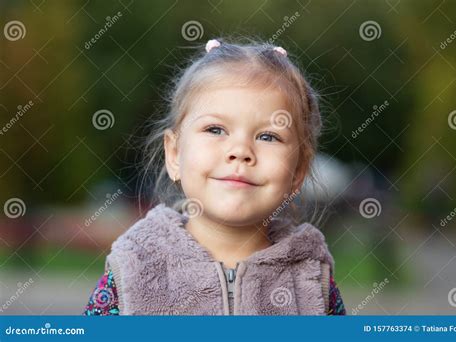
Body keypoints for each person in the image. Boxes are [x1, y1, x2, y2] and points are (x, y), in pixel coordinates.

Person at [84, 38, 346, 315]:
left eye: (268, 136)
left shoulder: (311, 278)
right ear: (174, 154)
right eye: (216, 129)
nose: (240, 151)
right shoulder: (135, 266)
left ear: (297, 174)